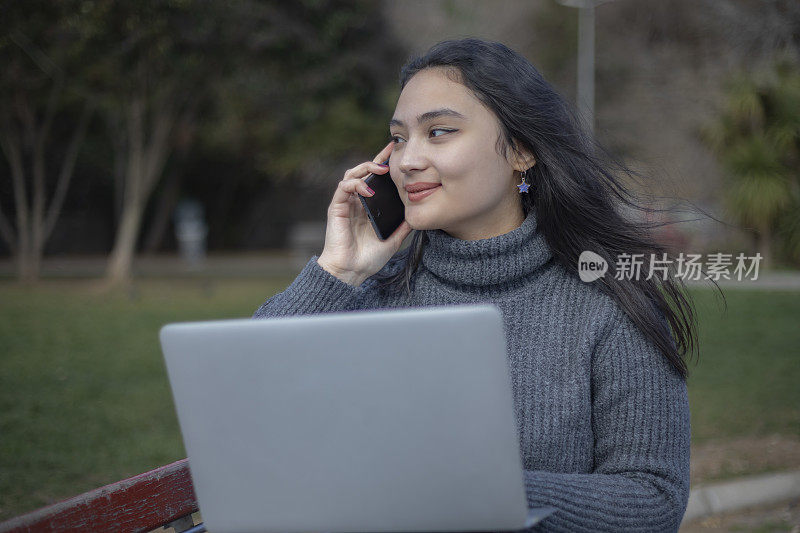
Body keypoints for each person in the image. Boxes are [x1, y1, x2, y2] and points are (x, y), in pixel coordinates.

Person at [254, 38, 698, 532]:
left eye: (439, 132)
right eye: (398, 139)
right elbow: (246, 411)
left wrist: (481, 489)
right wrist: (339, 272)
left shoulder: (608, 305)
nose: (406, 162)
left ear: (521, 150)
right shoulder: (365, 298)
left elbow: (651, 499)